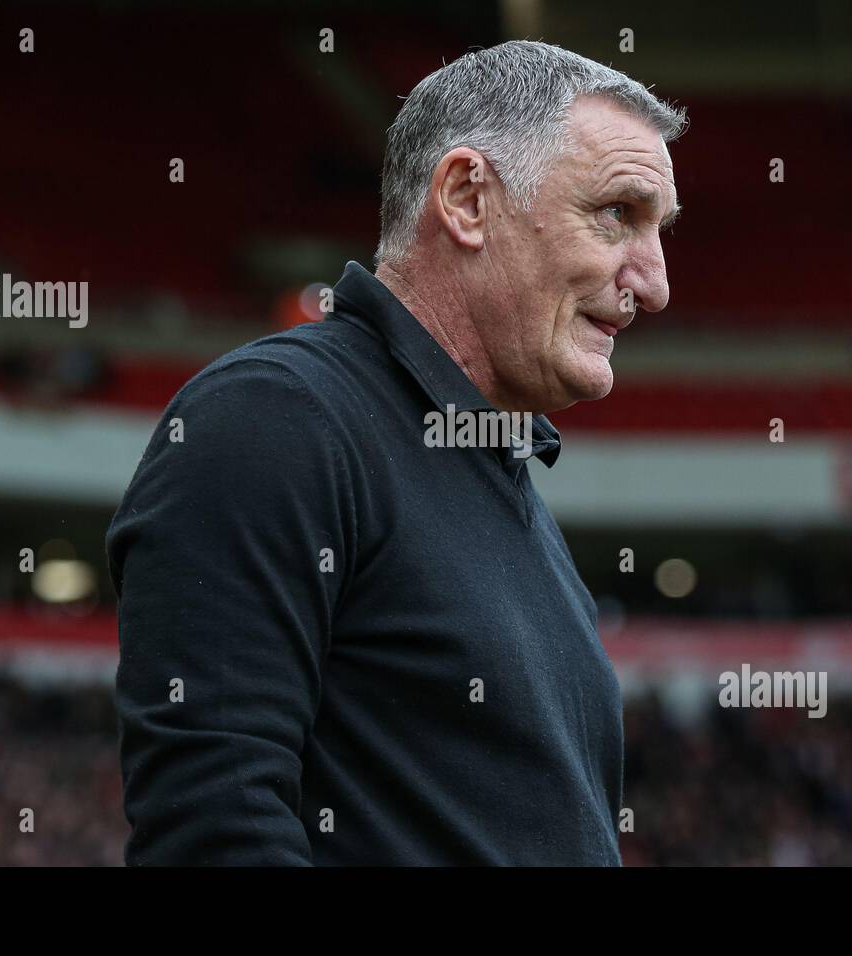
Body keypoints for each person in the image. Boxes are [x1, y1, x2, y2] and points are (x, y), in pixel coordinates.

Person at [107, 39, 683, 865]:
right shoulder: (276, 421)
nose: (655, 281)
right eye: (617, 214)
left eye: (660, 229)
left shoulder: (505, 479)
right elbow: (213, 831)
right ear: (466, 199)